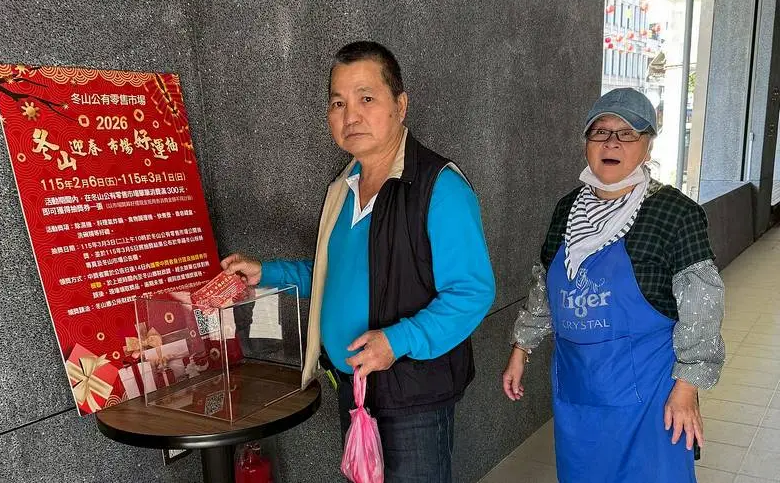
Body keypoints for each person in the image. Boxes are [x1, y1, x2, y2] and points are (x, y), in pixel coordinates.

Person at [222, 41, 495, 482]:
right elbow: (334, 273)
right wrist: (266, 272)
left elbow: (472, 292)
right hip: (355, 388)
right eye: (338, 103)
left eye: (366, 98)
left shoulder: (438, 187)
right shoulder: (344, 186)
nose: (351, 116)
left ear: (400, 105)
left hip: (413, 397)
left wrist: (397, 341)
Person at [502, 88, 725, 483]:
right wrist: (522, 348)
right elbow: (544, 286)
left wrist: (687, 386)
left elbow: (702, 304)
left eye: (627, 134)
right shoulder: (567, 210)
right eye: (600, 132)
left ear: (648, 144)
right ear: (586, 142)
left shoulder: (675, 213)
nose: (611, 143)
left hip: (650, 397)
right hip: (578, 390)